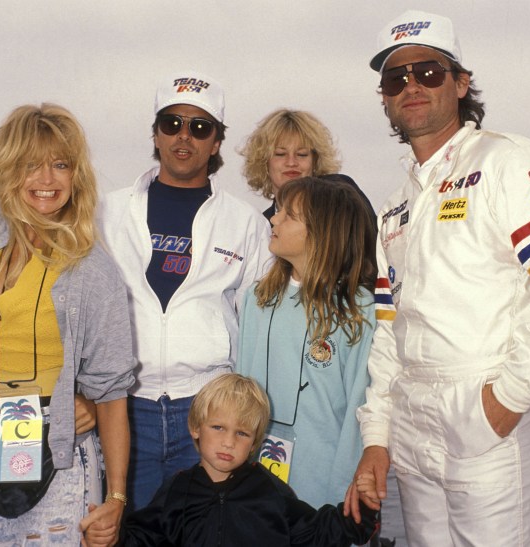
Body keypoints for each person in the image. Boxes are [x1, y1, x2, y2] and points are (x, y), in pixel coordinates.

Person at [346, 10, 530, 546]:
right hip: (414, 426)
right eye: (396, 78)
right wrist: (377, 438)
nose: (411, 86)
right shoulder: (395, 206)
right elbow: (389, 330)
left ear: (461, 83)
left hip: (488, 415)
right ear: (384, 97)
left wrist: (508, 397)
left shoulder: (511, 162)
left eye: (428, 71)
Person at [0, 104, 135, 546]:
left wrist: (115, 497)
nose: (47, 180)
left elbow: (112, 395)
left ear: (77, 176)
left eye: (61, 165)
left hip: (59, 454)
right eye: (31, 165)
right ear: (7, 170)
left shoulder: (92, 269)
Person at [102, 71, 272, 512]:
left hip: (210, 410)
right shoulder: (106, 212)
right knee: (132, 533)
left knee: (204, 532)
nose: (184, 136)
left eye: (200, 127)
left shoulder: (246, 223)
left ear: (216, 142)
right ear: (155, 134)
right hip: (124, 406)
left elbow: (261, 321)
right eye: (171, 123)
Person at [112, 373, 379, 547]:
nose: (229, 442)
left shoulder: (269, 491)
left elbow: (319, 532)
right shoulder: (176, 491)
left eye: (242, 433)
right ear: (195, 427)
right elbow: (140, 539)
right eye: (218, 428)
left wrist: (363, 509)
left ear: (254, 442)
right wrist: (111, 535)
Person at [237, 177, 376, 510]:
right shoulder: (258, 298)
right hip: (255, 483)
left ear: (322, 232)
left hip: (325, 489)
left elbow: (362, 411)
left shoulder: (359, 311)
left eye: (289, 215)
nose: (273, 219)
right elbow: (240, 391)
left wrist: (349, 488)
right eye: (277, 210)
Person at [240, 108, 341, 220]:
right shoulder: (259, 229)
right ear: (263, 161)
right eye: (280, 154)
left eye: (301, 154)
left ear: (316, 161)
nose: (291, 162)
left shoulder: (339, 211)